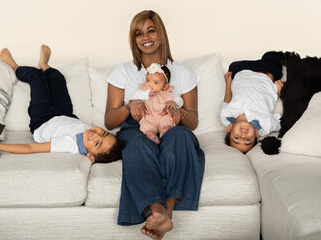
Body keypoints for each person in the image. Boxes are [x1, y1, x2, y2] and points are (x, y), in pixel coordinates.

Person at [105, 10, 205, 240]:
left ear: (161, 33)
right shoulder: (123, 71)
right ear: (134, 40)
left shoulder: (183, 73)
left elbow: (193, 121)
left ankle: (166, 215)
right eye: (138, 33)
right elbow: (109, 120)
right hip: (137, 127)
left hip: (171, 126)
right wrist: (129, 106)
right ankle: (158, 211)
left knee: (182, 139)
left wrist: (179, 112)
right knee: (135, 146)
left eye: (151, 30)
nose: (145, 37)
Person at [0, 45, 124, 164]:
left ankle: (15, 67)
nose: (96, 135)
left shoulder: (69, 145)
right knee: (58, 78)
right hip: (65, 113)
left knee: (36, 76)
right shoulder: (91, 134)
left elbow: (30, 148)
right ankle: (44, 64)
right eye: (103, 133)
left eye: (97, 143)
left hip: (42, 119)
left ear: (90, 156)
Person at [220, 52, 284, 153]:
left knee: (233, 66)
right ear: (256, 134)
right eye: (248, 140)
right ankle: (266, 59)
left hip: (241, 70)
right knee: (272, 56)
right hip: (266, 73)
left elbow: (226, 102)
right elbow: (284, 120)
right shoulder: (266, 125)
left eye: (236, 138)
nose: (243, 136)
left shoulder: (225, 116)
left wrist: (228, 83)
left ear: (229, 128)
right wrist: (281, 93)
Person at [130, 63, 183, 144]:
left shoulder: (168, 92)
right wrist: (145, 94)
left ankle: (165, 130)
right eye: (148, 80)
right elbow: (134, 97)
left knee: (168, 119)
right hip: (149, 115)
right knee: (145, 123)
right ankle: (151, 134)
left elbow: (180, 100)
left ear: (165, 86)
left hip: (162, 114)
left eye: (156, 82)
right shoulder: (143, 90)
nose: (150, 84)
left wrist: (174, 102)